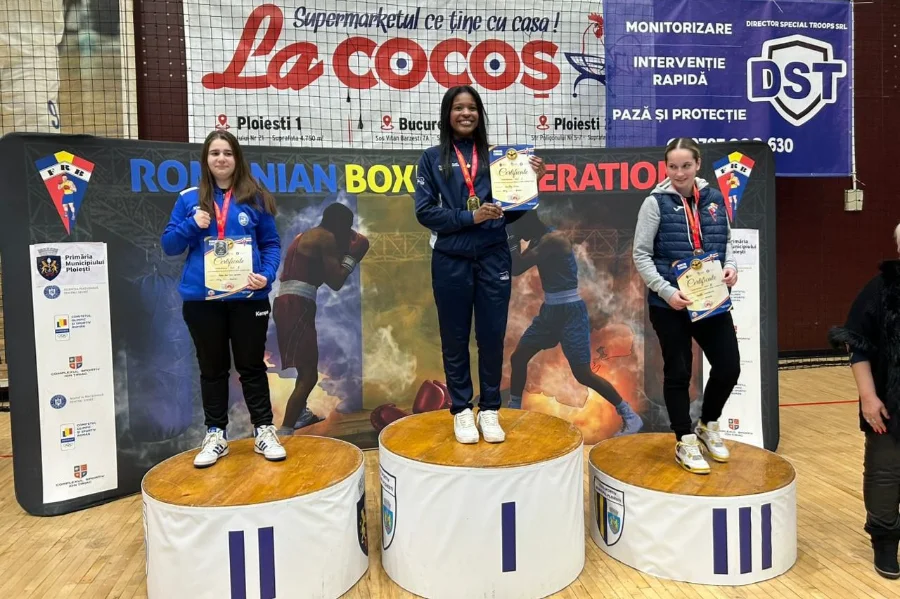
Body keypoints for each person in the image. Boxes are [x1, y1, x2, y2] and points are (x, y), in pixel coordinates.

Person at [414, 85, 545, 444]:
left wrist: (533, 179)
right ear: (448, 114)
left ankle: (489, 409)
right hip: (451, 258)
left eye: (472, 107)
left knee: (491, 336)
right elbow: (425, 212)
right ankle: (460, 410)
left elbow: (512, 212)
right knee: (454, 338)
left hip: (492, 256)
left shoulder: (498, 158)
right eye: (458, 108)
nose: (466, 113)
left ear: (480, 114)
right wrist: (470, 217)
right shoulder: (431, 158)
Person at [161, 129, 286, 468]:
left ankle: (263, 430)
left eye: (227, 153)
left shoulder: (255, 196)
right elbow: (170, 245)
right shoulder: (189, 199)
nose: (220, 159)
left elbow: (271, 244)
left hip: (248, 297)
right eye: (214, 153)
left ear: (237, 159)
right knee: (212, 369)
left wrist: (268, 274)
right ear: (206, 159)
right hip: (203, 302)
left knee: (251, 366)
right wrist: (191, 224)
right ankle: (216, 434)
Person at [632, 137, 740, 475]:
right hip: (671, 305)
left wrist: (731, 267)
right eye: (673, 166)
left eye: (686, 165)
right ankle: (685, 439)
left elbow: (727, 241)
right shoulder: (654, 203)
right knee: (678, 372)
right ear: (666, 168)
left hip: (711, 301)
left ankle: (708, 423)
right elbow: (641, 254)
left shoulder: (714, 198)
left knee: (729, 367)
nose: (679, 172)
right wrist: (666, 292)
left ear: (698, 165)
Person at [507, 210, 643, 434]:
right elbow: (515, 267)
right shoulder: (538, 240)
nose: (520, 236)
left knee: (582, 374)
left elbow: (517, 266)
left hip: (571, 313)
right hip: (550, 312)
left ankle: (629, 414)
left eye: (519, 229)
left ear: (527, 223)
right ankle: (513, 411)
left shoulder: (554, 239)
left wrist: (509, 234)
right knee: (518, 357)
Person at [828, 223, 900, 579]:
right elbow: (856, 345)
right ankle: (885, 542)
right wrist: (869, 398)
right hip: (888, 403)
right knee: (885, 477)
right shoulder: (879, 290)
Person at [273, 202, 369, 434]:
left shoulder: (306, 236)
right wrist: (352, 257)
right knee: (308, 374)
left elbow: (320, 275)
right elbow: (336, 282)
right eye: (347, 228)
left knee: (304, 368)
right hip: (297, 305)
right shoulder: (326, 238)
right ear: (340, 225)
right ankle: (286, 430)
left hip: (291, 303)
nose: (348, 234)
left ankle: (300, 413)